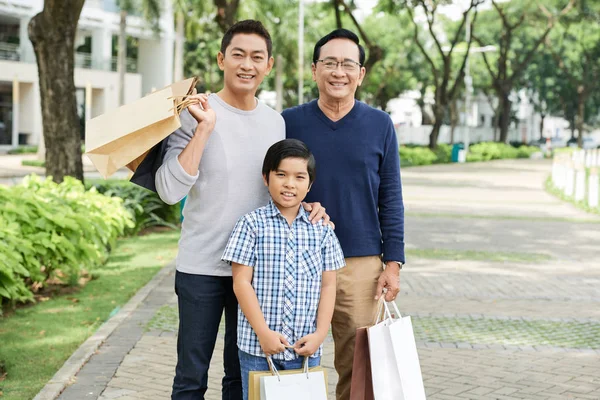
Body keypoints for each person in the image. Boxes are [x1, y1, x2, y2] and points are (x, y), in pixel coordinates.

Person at [155, 20, 327, 400]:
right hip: (202, 266)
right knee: (190, 379)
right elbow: (168, 191)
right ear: (221, 59)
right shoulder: (193, 113)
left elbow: (280, 185)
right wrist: (204, 129)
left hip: (256, 273)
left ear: (269, 66)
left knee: (241, 379)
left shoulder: (274, 122)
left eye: (257, 57)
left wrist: (307, 203)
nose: (247, 64)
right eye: (238, 54)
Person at [282, 29, 405, 400]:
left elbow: (391, 196)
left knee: (359, 366)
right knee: (296, 356)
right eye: (330, 63)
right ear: (315, 69)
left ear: (361, 73)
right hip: (297, 259)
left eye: (348, 64)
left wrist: (393, 262)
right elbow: (271, 185)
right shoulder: (288, 122)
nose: (339, 72)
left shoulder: (379, 124)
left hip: (362, 264)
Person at [221, 139, 345, 400]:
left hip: (306, 348)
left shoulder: (322, 229)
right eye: (281, 175)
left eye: (299, 177)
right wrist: (263, 334)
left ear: (309, 184)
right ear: (266, 178)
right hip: (258, 348)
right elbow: (241, 283)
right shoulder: (250, 225)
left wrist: (320, 334)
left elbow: (329, 285)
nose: (290, 183)